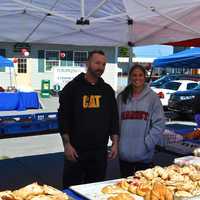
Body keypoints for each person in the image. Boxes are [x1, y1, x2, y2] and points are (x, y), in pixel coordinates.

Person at [58, 50, 119, 188]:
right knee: (72, 191)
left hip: (99, 153)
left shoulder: (107, 91)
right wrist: (66, 145)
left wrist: (115, 142)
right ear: (87, 63)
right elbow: (63, 118)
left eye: (104, 64)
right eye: (97, 63)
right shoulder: (72, 88)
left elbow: (113, 118)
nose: (101, 67)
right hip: (76, 152)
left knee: (95, 190)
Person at [117, 64, 165, 178]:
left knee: (144, 190)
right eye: (134, 75)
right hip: (124, 154)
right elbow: (115, 122)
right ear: (130, 77)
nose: (137, 78)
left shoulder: (153, 98)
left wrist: (148, 143)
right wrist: (117, 143)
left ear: (145, 77)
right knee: (126, 189)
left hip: (144, 156)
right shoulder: (121, 97)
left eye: (140, 75)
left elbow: (159, 123)